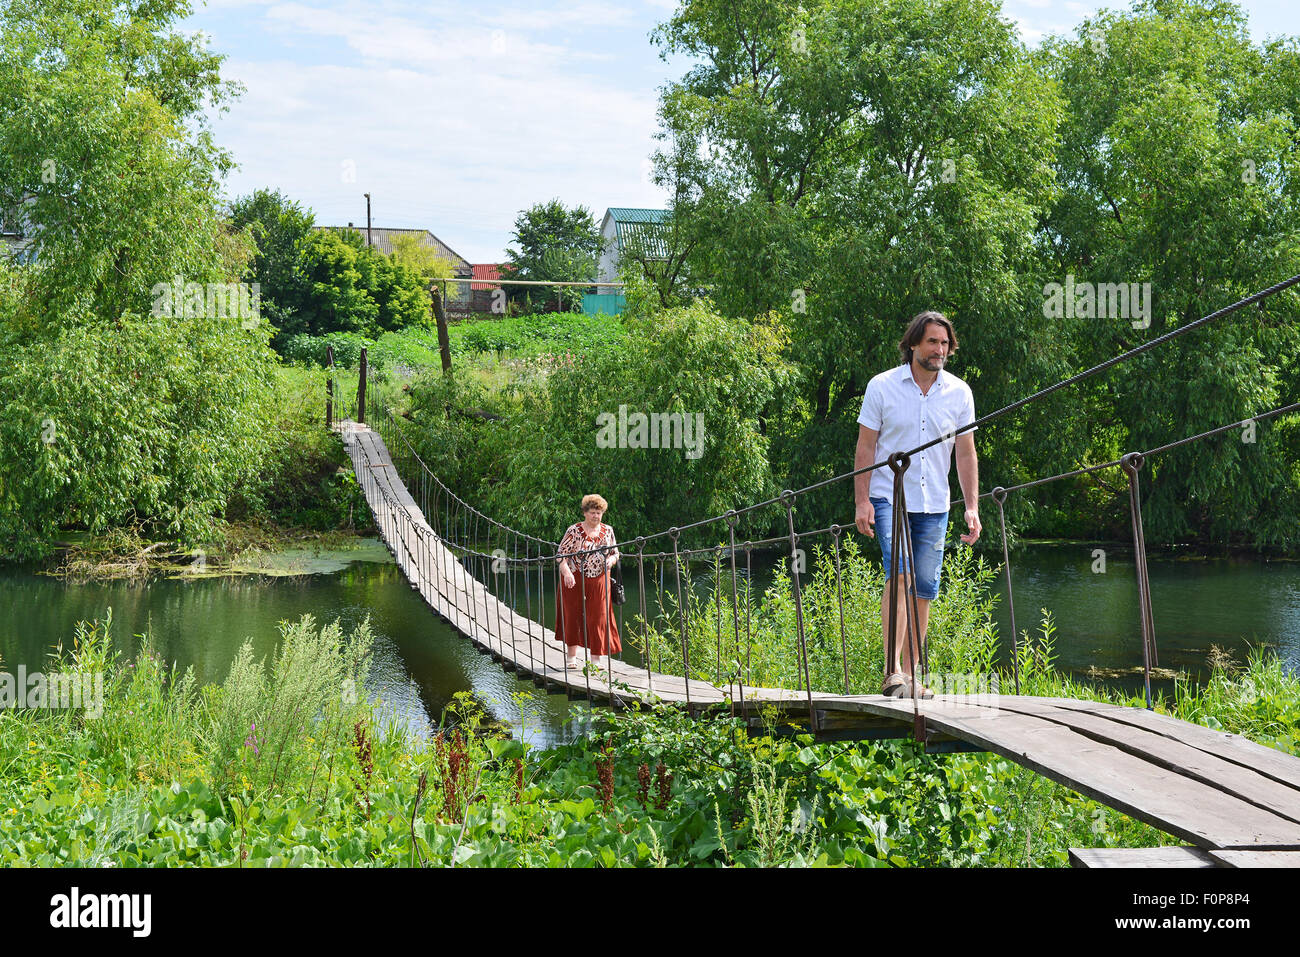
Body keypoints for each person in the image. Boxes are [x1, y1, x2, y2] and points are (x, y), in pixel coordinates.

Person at [854, 311, 981, 698]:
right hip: (889, 495)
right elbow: (866, 447)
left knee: (925, 587)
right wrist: (862, 501)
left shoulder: (959, 392)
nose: (939, 350)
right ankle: (892, 671)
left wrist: (972, 506)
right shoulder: (882, 386)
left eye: (944, 344)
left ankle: (911, 676)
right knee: (901, 573)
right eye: (931, 342)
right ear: (913, 343)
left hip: (935, 502)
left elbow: (966, 454)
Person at [556, 494, 621, 671]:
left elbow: (615, 553)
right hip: (574, 579)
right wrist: (567, 573)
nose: (596, 516)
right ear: (585, 513)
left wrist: (612, 561)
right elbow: (560, 555)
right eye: (592, 512)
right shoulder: (574, 531)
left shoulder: (608, 530)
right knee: (573, 616)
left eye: (599, 513)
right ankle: (571, 657)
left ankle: (596, 660)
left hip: (600, 579)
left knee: (598, 618)